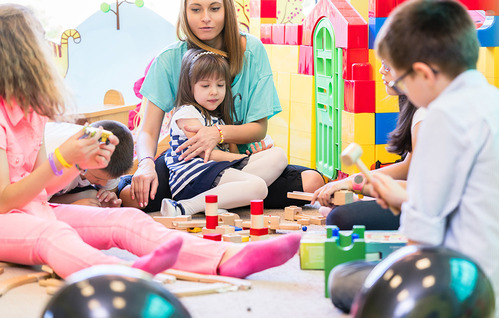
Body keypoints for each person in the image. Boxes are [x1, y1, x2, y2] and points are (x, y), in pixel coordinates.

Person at [0, 3, 302, 281]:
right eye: (42, 46)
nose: (51, 51)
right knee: (53, 239)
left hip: (36, 211)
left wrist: (76, 163)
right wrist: (62, 160)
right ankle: (126, 275)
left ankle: (225, 258)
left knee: (127, 219)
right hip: (8, 221)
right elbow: (4, 202)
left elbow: (42, 193)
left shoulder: (32, 113)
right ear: (20, 55)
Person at [329, 0, 499, 314]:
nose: (397, 87)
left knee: (342, 279)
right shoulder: (492, 99)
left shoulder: (441, 117)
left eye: (399, 80)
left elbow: (420, 244)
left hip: (465, 287)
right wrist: (404, 198)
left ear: (421, 72)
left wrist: (407, 204)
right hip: (488, 268)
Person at [119, 0, 325, 211]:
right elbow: (148, 131)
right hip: (189, 164)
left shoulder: (252, 51)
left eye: (214, 8)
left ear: (226, 10)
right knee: (132, 196)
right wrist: (145, 164)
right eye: (196, 9)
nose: (205, 17)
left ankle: (223, 194)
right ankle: (229, 196)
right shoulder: (169, 59)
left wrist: (217, 134)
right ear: (185, 12)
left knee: (312, 183)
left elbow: (259, 129)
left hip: (242, 164)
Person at [161, 48, 288, 216]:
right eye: (205, 86)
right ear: (189, 86)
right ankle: (185, 207)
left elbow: (231, 153)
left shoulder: (218, 118)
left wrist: (248, 156)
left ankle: (221, 200)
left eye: (220, 85)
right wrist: (243, 159)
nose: (214, 91)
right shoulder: (187, 113)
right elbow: (208, 154)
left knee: (278, 155)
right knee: (258, 187)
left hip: (217, 172)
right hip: (194, 179)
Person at [311, 61, 426, 229]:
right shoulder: (417, 109)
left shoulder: (425, 118)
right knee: (342, 210)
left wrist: (357, 185)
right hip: (424, 201)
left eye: (388, 65)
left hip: (435, 211)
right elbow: (407, 167)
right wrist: (352, 180)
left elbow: (421, 192)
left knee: (339, 217)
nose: (381, 70)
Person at [49, 120, 134, 207]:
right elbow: (37, 204)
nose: (103, 184)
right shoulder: (59, 161)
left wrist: (108, 201)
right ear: (86, 155)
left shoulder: (108, 157)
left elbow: (110, 193)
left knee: (94, 197)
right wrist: (71, 206)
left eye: (108, 179)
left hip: (61, 191)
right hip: (41, 193)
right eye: (98, 178)